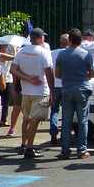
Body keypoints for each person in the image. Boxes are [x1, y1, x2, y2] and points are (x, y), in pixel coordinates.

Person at [11, 28, 54, 158]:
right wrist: (53, 91)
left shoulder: (22, 51)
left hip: (26, 91)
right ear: (40, 38)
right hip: (41, 91)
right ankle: (29, 147)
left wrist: (27, 78)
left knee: (26, 119)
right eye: (43, 37)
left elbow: (13, 70)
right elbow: (49, 73)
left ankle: (24, 145)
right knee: (35, 120)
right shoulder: (44, 52)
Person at [54, 29, 94, 159]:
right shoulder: (86, 54)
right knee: (82, 120)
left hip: (66, 89)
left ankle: (65, 150)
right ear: (80, 40)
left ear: (70, 40)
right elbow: (93, 73)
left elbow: (57, 74)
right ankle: (82, 150)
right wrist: (84, 77)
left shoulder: (62, 54)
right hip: (82, 88)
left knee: (66, 121)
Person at [49, 33, 69, 145]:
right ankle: (64, 135)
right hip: (67, 85)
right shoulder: (70, 53)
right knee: (67, 111)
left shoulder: (52, 53)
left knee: (54, 110)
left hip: (55, 85)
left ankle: (53, 131)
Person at [0, 41, 17, 128]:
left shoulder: (1, 55)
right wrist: (14, 50)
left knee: (4, 102)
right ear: (0, 47)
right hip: (2, 80)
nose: (7, 48)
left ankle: (3, 120)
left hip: (5, 79)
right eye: (5, 47)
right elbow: (14, 57)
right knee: (1, 101)